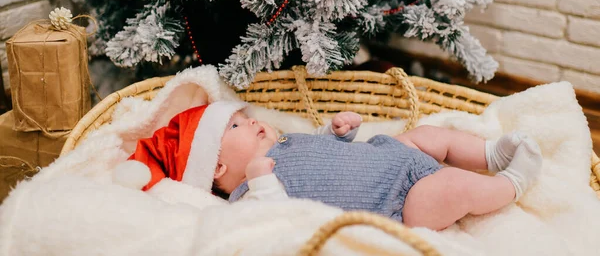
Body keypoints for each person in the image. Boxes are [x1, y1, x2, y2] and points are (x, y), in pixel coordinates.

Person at [116, 101, 543, 231]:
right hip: (399, 202)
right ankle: (510, 184)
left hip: (389, 153)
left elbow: (324, 157)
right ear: (216, 167)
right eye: (237, 126)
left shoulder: (284, 140)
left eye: (248, 117)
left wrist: (338, 132)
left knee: (432, 136)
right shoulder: (250, 191)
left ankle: (490, 155)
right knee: (450, 187)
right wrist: (261, 183)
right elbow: (278, 221)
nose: (254, 122)